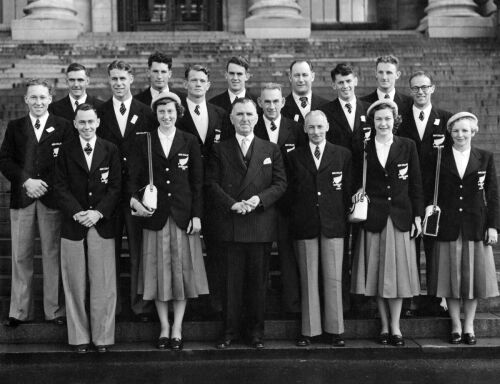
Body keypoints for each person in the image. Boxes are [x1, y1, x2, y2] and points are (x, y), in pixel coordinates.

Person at [128, 91, 208, 351]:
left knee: (181, 274)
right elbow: (133, 178)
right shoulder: (145, 141)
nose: (166, 116)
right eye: (161, 111)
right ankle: (164, 326)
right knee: (157, 273)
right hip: (155, 217)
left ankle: (178, 327)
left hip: (183, 217)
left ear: (178, 113)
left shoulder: (189, 140)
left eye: (171, 111)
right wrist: (134, 201)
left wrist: (197, 214)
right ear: (156, 114)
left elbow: (197, 182)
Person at [205, 98, 287, 350]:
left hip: (259, 224)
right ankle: (229, 332)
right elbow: (211, 183)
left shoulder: (270, 149)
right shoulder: (220, 149)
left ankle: (255, 334)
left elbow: (280, 184)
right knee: (230, 284)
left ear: (257, 116)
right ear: (231, 118)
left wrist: (257, 200)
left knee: (256, 285)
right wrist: (232, 204)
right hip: (230, 223)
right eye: (239, 114)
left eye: (249, 114)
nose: (244, 119)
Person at [350, 100, 424, 346]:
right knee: (378, 275)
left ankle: (396, 326)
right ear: (373, 122)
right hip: (374, 219)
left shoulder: (408, 146)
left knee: (398, 275)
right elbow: (355, 182)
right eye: (379, 119)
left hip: (400, 218)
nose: (383, 123)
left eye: (387, 119)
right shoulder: (363, 148)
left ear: (395, 121)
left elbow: (416, 183)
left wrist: (417, 216)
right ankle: (384, 326)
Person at [0, 78, 72, 327]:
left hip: (52, 200)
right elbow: (5, 160)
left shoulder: (63, 125)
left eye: (43, 97)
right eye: (34, 97)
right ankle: (19, 310)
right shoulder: (15, 126)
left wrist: (46, 185)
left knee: (52, 254)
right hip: (23, 198)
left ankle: (54, 310)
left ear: (50, 99)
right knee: (21, 255)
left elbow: (67, 164)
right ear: (26, 100)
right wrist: (26, 181)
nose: (38, 102)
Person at [426, 112, 499, 345]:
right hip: (447, 226)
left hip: (474, 225)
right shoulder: (438, 157)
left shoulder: (484, 157)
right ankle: (455, 325)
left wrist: (493, 226)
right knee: (450, 278)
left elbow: (493, 194)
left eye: (465, 130)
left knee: (473, 279)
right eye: (456, 131)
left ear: (473, 132)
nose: (460, 135)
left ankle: (469, 326)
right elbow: (429, 190)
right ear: (450, 133)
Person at [55, 103, 121, 354]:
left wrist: (98, 212)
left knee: (103, 283)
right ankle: (79, 337)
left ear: (98, 123)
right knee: (75, 283)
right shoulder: (66, 150)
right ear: (74, 124)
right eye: (82, 122)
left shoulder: (110, 149)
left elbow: (116, 186)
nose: (86, 127)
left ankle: (102, 337)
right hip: (74, 223)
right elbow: (59, 186)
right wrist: (78, 213)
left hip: (101, 223)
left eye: (90, 122)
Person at [96, 60, 156, 321]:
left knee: (137, 251)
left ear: (132, 79)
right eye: (114, 79)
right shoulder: (100, 112)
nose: (118, 83)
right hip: (107, 194)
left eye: (122, 78)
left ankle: (139, 306)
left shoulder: (146, 112)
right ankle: (114, 306)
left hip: (136, 193)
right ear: (108, 81)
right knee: (107, 252)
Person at [287, 110, 351, 347]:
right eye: (311, 127)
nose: (315, 132)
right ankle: (310, 330)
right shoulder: (294, 156)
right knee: (308, 276)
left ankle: (335, 330)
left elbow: (347, 191)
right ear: (304, 129)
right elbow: (290, 192)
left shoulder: (342, 154)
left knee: (334, 277)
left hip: (333, 223)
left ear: (327, 128)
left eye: (320, 127)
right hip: (305, 224)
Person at [176, 64, 232, 318]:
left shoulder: (220, 114)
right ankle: (190, 303)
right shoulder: (175, 114)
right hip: (185, 192)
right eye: (193, 80)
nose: (198, 84)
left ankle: (217, 303)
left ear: (209, 85)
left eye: (202, 81)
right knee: (186, 251)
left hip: (215, 193)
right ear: (185, 84)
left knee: (218, 251)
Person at [397, 70, 453, 317]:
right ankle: (408, 301)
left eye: (424, 87)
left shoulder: (446, 119)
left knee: (433, 250)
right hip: (407, 195)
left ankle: (433, 298)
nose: (420, 92)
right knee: (408, 249)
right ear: (410, 91)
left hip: (434, 197)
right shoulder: (400, 122)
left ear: (433, 89)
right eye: (415, 88)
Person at [255, 82, 303, 315]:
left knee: (288, 258)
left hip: (288, 205)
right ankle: (259, 308)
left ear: (283, 102)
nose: (271, 106)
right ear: (259, 103)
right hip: (259, 204)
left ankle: (291, 307)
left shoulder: (295, 128)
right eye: (267, 101)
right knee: (259, 260)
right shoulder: (251, 127)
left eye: (276, 101)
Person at [281, 60, 328, 126]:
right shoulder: (280, 108)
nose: (301, 80)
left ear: (312, 76)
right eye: (297, 75)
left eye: (305, 75)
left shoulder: (327, 107)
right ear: (290, 77)